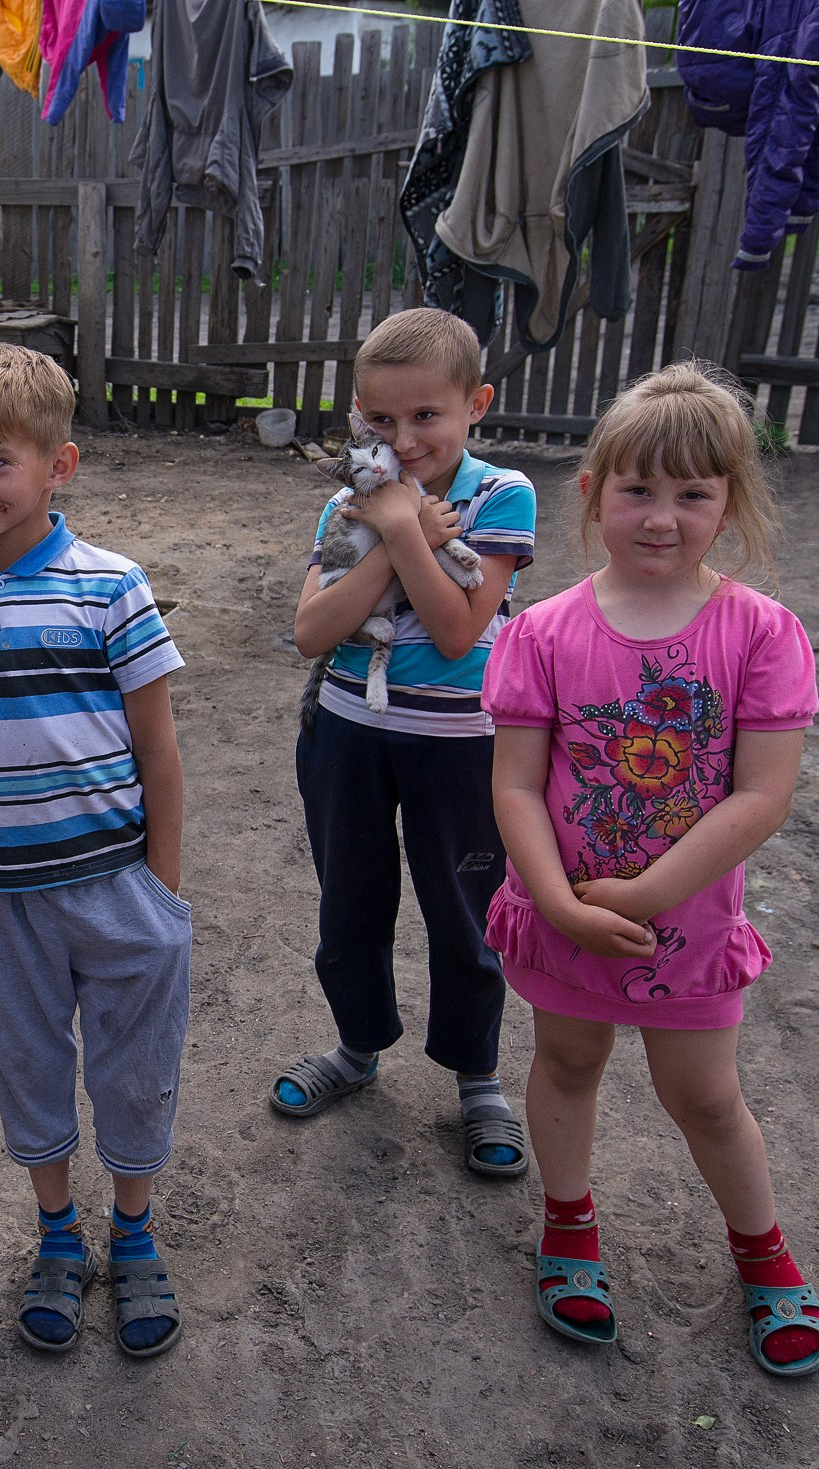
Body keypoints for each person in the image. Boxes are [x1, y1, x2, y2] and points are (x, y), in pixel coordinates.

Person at [483, 363, 819, 1376]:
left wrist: (641, 896)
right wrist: (557, 901)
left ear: (731, 501)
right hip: (562, 920)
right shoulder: (542, 633)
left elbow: (761, 794)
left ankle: (762, 1252)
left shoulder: (760, 633)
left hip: (689, 932)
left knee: (706, 1098)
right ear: (591, 492)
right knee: (569, 1062)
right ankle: (569, 1225)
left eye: (692, 492)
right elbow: (514, 786)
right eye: (638, 488)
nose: (662, 517)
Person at [0, 344, 191, 1359]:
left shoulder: (112, 589)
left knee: (134, 1070)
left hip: (115, 889)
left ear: (58, 465)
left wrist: (163, 895)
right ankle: (58, 1231)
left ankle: (133, 1228)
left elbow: (158, 751)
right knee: (28, 1065)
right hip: (0, 900)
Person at [270, 308, 538, 1179]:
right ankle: (356, 1047)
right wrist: (396, 530)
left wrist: (391, 529)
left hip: (461, 744)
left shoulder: (502, 495)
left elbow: (460, 629)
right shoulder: (346, 502)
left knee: (467, 912)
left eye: (427, 415)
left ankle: (478, 1075)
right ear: (357, 415)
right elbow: (314, 630)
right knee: (350, 902)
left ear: (476, 405)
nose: (403, 437)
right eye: (380, 420)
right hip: (347, 731)